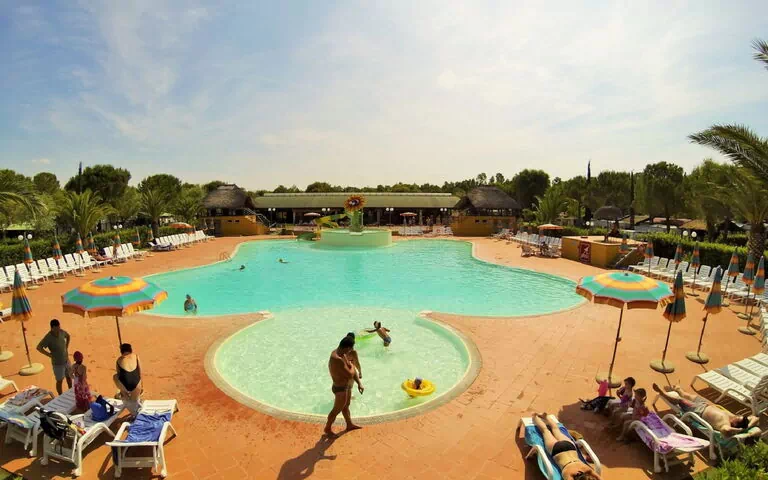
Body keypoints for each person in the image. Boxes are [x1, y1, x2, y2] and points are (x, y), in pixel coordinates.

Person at [653, 383, 760, 437]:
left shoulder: (726, 424)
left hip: (698, 411)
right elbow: (755, 418)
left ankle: (662, 393)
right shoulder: (733, 417)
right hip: (706, 404)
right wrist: (747, 427)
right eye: (739, 416)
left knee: (680, 400)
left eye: (738, 418)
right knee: (687, 395)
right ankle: (677, 389)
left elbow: (726, 431)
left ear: (735, 424)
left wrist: (740, 431)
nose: (737, 416)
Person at [531, 413, 602, 480]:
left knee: (556, 429)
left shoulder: (587, 469)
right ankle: (535, 417)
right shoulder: (568, 474)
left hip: (570, 446)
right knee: (545, 431)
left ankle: (546, 416)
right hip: (557, 451)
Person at [325, 336, 364, 437]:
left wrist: (359, 383)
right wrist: (352, 366)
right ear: (347, 348)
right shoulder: (337, 358)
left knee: (346, 407)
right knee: (336, 411)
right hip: (340, 389)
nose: (350, 351)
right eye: (350, 349)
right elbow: (350, 373)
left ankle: (349, 424)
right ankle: (327, 429)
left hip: (345, 387)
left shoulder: (342, 354)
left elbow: (351, 369)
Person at [37, 319, 72, 394]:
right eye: (57, 329)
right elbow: (39, 347)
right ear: (52, 328)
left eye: (59, 328)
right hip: (57, 364)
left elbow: (68, 336)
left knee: (69, 377)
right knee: (59, 380)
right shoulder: (48, 337)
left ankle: (71, 391)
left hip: (66, 360)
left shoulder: (61, 332)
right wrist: (49, 355)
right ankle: (60, 395)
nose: (58, 330)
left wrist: (66, 347)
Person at [113, 343, 142, 416]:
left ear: (121, 351)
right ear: (130, 350)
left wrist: (122, 391)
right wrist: (141, 387)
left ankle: (124, 394)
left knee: (115, 376)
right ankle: (132, 402)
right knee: (134, 401)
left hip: (125, 387)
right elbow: (140, 373)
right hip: (137, 386)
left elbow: (119, 375)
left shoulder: (119, 360)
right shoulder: (136, 356)